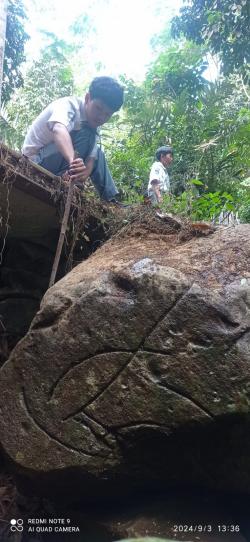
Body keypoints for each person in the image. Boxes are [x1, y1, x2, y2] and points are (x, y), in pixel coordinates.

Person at [22, 76, 124, 203]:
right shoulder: (69, 105)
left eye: (107, 114)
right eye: (98, 108)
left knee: (98, 152)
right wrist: (73, 161)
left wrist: (83, 174)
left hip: (59, 163)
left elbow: (92, 159)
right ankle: (66, 176)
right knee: (86, 133)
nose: (101, 117)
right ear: (87, 98)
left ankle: (112, 200)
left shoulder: (93, 124)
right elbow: (59, 129)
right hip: (35, 162)